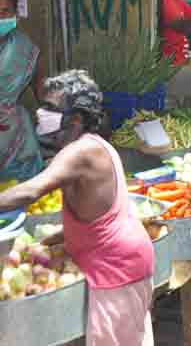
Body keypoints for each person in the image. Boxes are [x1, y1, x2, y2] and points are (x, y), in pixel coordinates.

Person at [0, 70, 155, 345]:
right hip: (122, 263)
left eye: (50, 109)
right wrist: (52, 241)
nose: (40, 114)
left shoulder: (81, 152)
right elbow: (94, 216)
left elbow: (33, 190)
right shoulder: (90, 147)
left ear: (74, 120)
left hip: (116, 269)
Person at [0, 0, 44, 183]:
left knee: (23, 191)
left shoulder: (25, 48)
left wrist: (53, 115)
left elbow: (41, 90)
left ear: (15, 16)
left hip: (16, 132)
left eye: (5, 12)